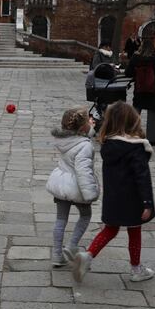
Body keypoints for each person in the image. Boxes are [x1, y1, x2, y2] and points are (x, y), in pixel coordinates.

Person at [71, 102, 155, 283]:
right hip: (133, 199)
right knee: (134, 231)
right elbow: (142, 178)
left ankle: (88, 255)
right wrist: (147, 202)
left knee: (110, 229)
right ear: (133, 121)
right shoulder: (136, 148)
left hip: (113, 198)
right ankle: (136, 268)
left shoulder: (108, 146)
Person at [46, 108, 99, 268]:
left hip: (61, 183)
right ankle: (71, 246)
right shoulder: (85, 146)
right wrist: (89, 193)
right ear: (83, 128)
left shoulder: (62, 141)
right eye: (88, 122)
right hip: (77, 187)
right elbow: (83, 171)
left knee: (61, 219)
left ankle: (56, 255)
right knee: (85, 215)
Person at [125, 40, 155, 146]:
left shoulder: (136, 58)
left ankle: (132, 134)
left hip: (140, 90)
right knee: (154, 114)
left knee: (135, 112)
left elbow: (128, 73)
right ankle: (153, 138)